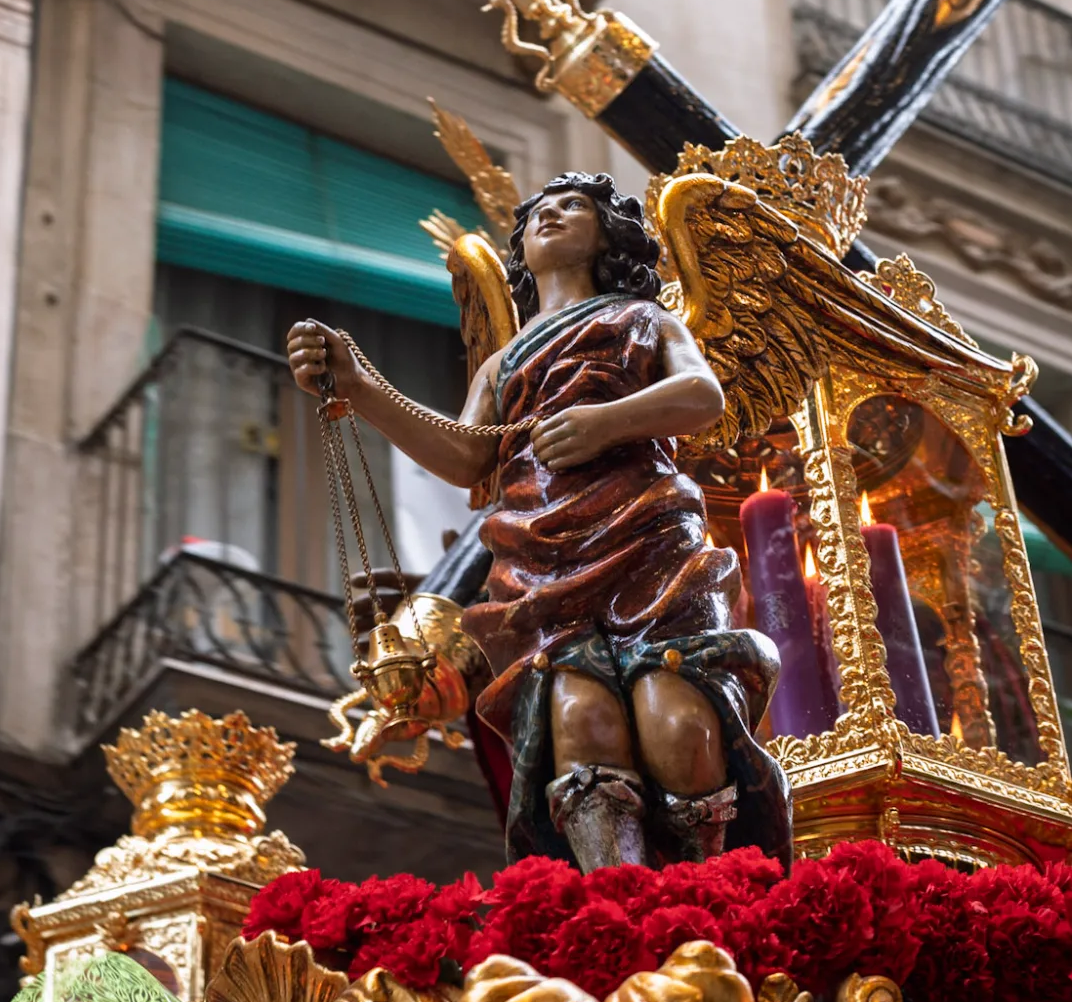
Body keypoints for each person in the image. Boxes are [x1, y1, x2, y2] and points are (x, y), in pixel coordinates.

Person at [287, 171, 791, 872]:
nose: (552, 216)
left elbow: (700, 395)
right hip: (543, 560)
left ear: (607, 234)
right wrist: (361, 386)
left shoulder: (641, 320)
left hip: (647, 543)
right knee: (581, 727)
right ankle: (618, 904)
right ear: (519, 246)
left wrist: (605, 422)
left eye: (573, 207)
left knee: (674, 722)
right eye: (538, 213)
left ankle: (711, 887)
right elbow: (468, 456)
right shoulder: (502, 360)